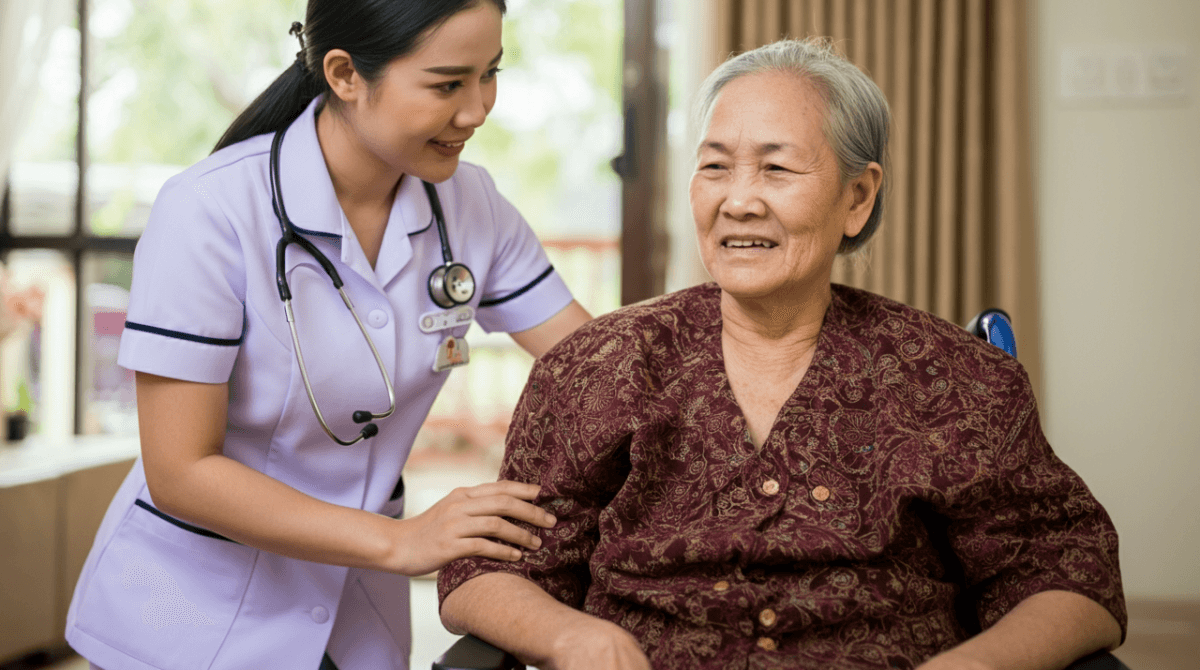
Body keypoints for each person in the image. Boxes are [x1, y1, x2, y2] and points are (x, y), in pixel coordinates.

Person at [437, 38, 1126, 670]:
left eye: (775, 168)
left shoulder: (955, 378)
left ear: (857, 198)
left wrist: (976, 665)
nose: (738, 200)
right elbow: (486, 573)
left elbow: (1071, 576)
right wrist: (571, 635)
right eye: (715, 167)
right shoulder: (598, 366)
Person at [66, 0, 590, 670]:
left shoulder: (471, 206)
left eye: (490, 74)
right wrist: (401, 541)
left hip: (353, 623)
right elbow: (180, 471)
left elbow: (594, 366)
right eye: (447, 83)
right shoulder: (211, 211)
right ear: (345, 74)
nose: (477, 110)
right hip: (187, 623)